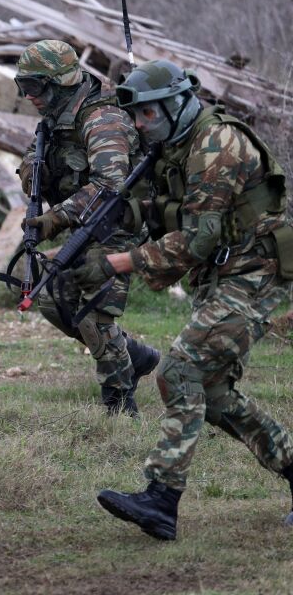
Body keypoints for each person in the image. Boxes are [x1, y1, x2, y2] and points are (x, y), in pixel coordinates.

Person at [73, 60, 293, 540]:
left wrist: (117, 264)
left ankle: (161, 498)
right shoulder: (178, 144)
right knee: (212, 396)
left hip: (256, 273)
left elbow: (196, 240)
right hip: (223, 274)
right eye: (135, 116)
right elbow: (173, 212)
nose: (138, 125)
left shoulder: (217, 144)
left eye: (146, 114)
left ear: (175, 104)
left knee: (179, 372)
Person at [14, 39, 160, 416]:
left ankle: (119, 404)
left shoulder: (102, 118)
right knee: (50, 296)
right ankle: (134, 356)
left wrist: (55, 218)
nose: (28, 97)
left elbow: (111, 186)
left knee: (94, 309)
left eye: (35, 87)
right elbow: (32, 165)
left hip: (123, 222)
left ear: (60, 83)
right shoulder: (54, 117)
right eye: (23, 87)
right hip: (88, 222)